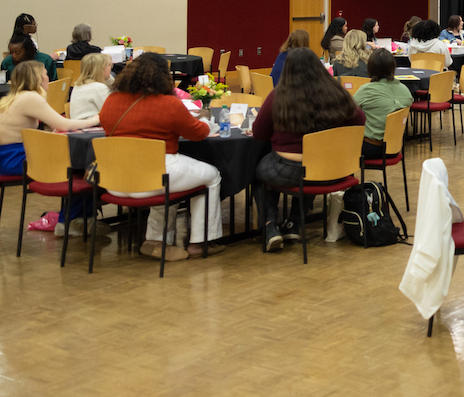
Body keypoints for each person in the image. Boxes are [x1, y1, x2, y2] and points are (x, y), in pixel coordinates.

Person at [98, 53, 223, 260]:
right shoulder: (168, 104)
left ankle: (155, 239)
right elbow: (198, 134)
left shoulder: (111, 101)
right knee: (212, 176)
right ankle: (201, 242)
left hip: (115, 180)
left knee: (168, 179)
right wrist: (208, 123)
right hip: (154, 176)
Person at [250, 49, 366, 251]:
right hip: (332, 169)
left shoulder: (279, 95)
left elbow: (259, 132)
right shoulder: (337, 93)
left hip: (288, 170)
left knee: (259, 170)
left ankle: (270, 226)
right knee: (312, 165)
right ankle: (294, 222)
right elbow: (359, 121)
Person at [0, 61, 101, 235]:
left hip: (7, 157)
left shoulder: (12, 98)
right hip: (17, 158)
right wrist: (96, 119)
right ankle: (73, 221)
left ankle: (74, 218)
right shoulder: (31, 97)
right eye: (46, 74)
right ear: (38, 78)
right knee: (85, 164)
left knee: (78, 161)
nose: (48, 77)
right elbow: (63, 124)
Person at [354, 49, 414, 161]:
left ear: (370, 68)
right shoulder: (405, 90)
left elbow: (348, 111)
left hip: (371, 148)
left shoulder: (366, 90)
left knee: (339, 145)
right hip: (395, 147)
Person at [70, 53, 114, 119]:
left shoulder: (78, 84)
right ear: (100, 69)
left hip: (79, 124)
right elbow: (111, 112)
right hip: (89, 126)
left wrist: (107, 77)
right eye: (109, 65)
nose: (111, 67)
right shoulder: (98, 87)